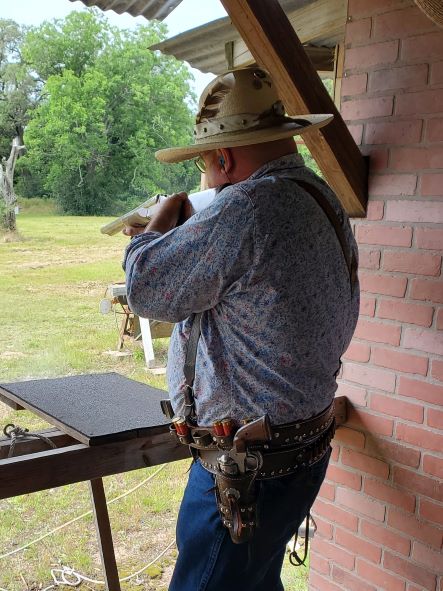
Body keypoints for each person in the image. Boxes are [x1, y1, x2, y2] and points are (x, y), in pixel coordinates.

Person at [123, 66, 359, 591]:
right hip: (300, 450)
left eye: (206, 164)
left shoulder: (244, 207)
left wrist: (156, 225)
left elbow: (145, 288)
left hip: (244, 473)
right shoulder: (320, 197)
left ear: (224, 158)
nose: (207, 177)